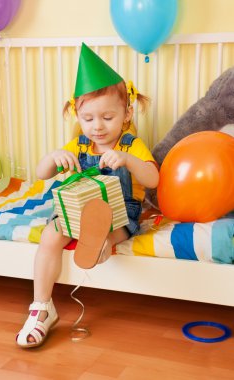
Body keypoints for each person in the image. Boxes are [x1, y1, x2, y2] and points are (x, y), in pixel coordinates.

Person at [16, 43, 159, 348]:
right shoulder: (78, 146)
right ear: (77, 116)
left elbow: (153, 179)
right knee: (51, 235)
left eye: (108, 117)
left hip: (120, 211)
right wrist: (55, 157)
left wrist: (128, 160)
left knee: (114, 231)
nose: (97, 126)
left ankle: (99, 243)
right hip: (77, 210)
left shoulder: (132, 145)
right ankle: (41, 307)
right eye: (89, 118)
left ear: (126, 114)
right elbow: (42, 173)